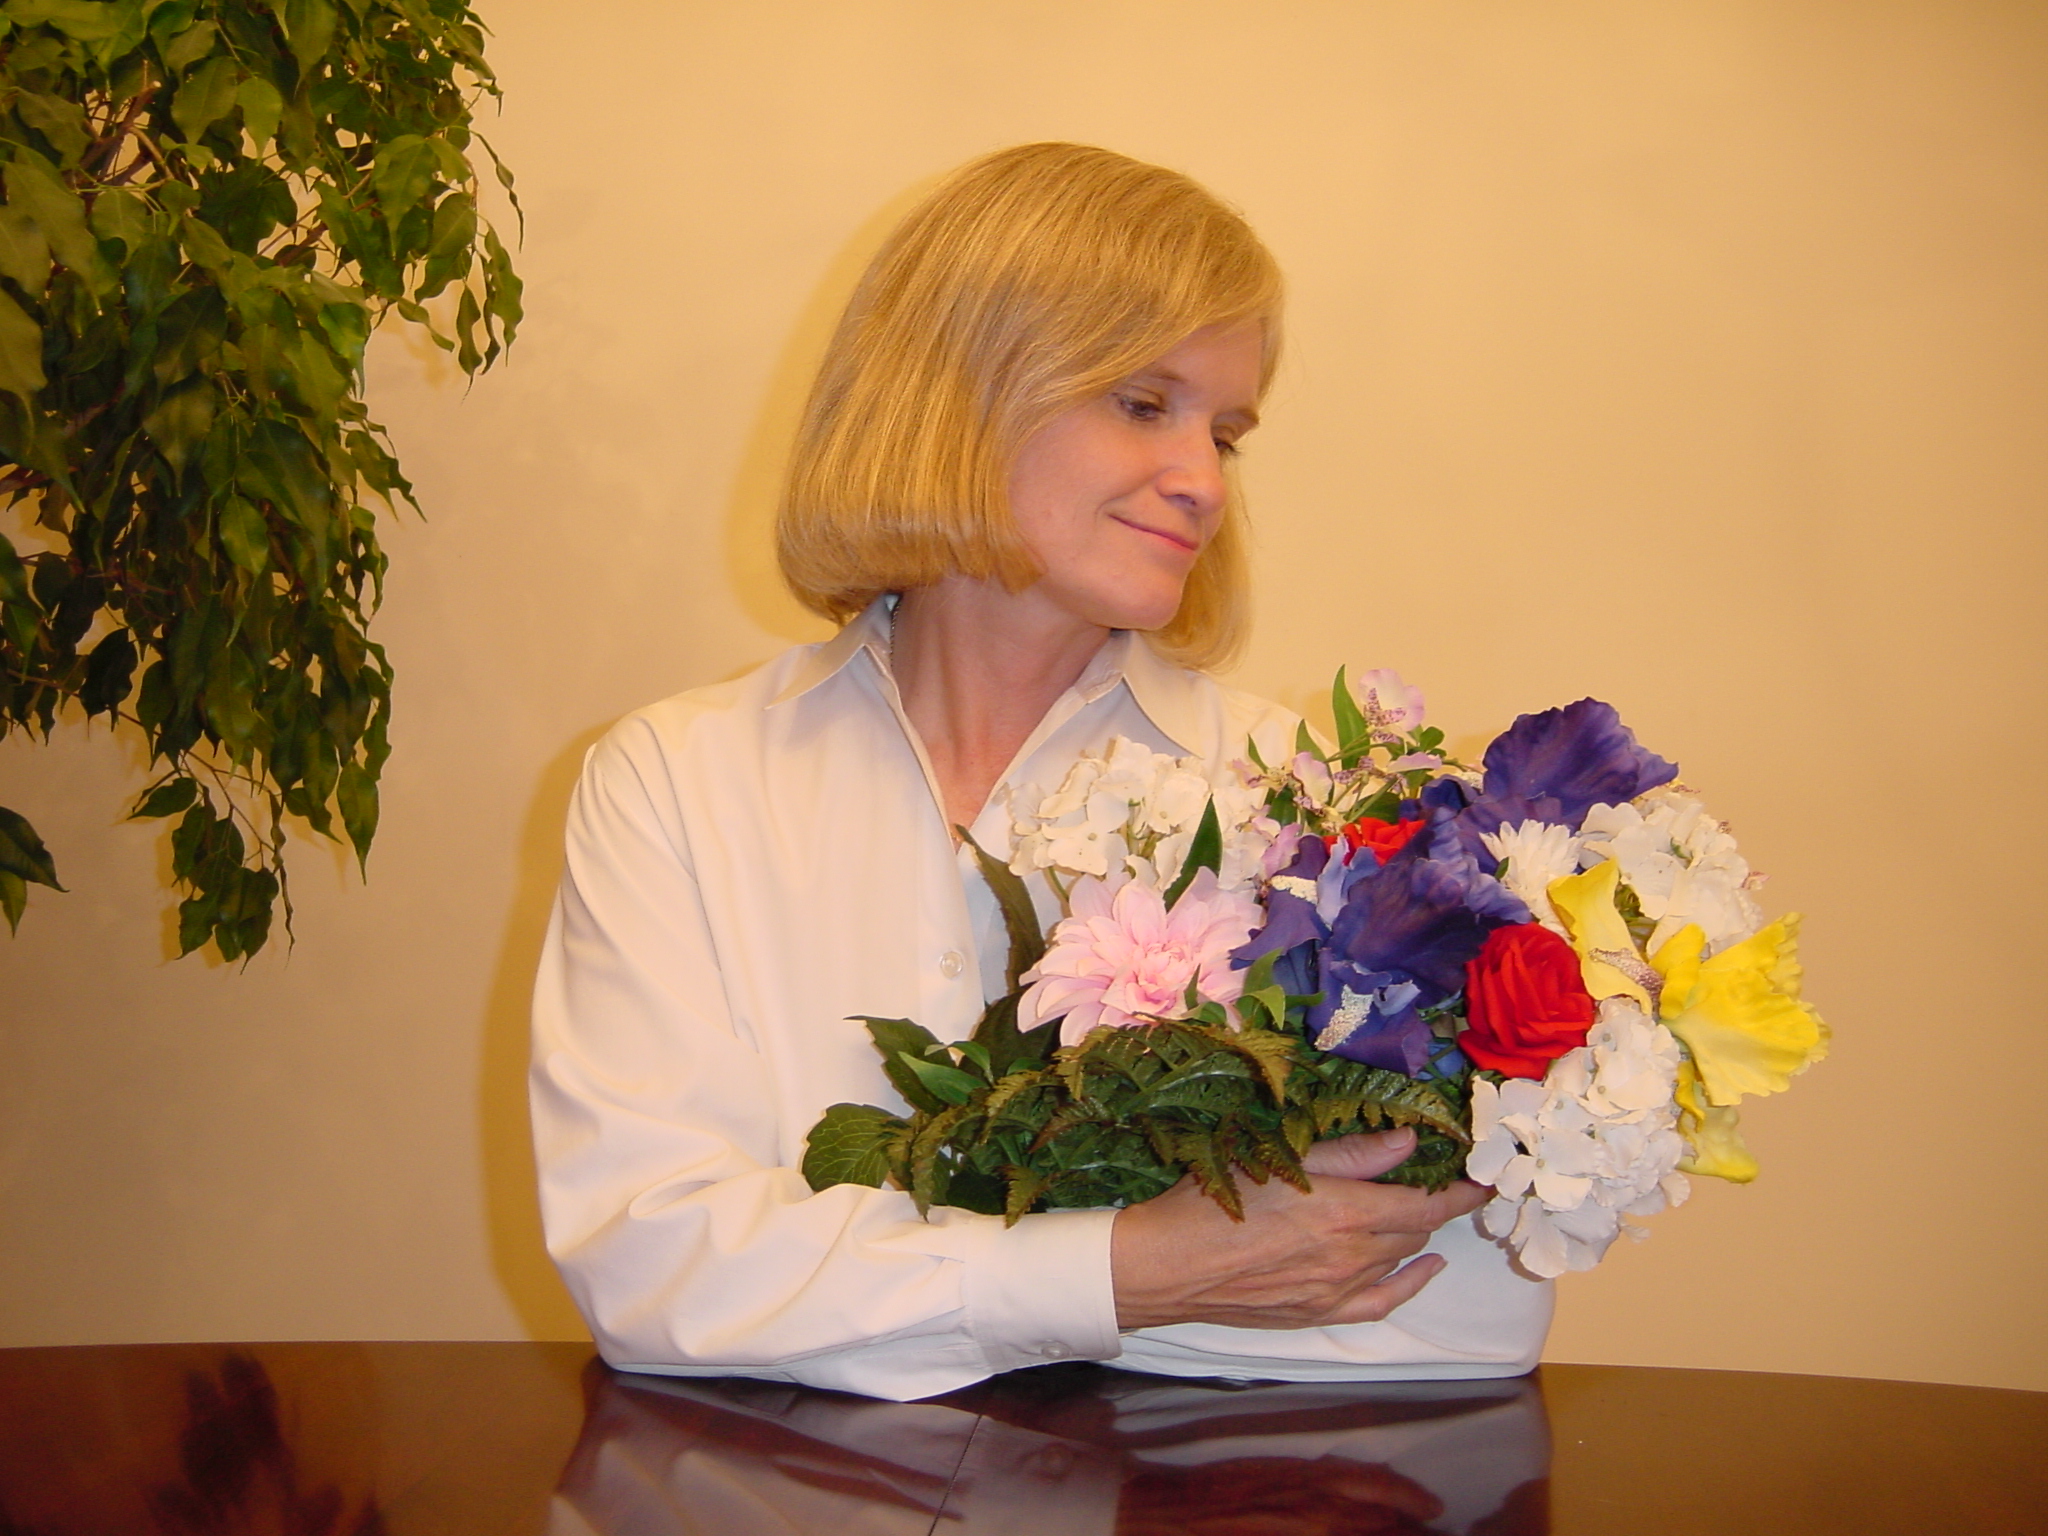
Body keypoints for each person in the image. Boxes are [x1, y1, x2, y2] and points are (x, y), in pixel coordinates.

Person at [530, 143, 1552, 1403]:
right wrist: (1138, 1272)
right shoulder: (677, 784)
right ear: (957, 391)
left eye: (1224, 433)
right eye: (1142, 403)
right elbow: (648, 1271)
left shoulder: (1302, 800)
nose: (1202, 482)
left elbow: (1466, 1307)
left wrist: (851, 1295)